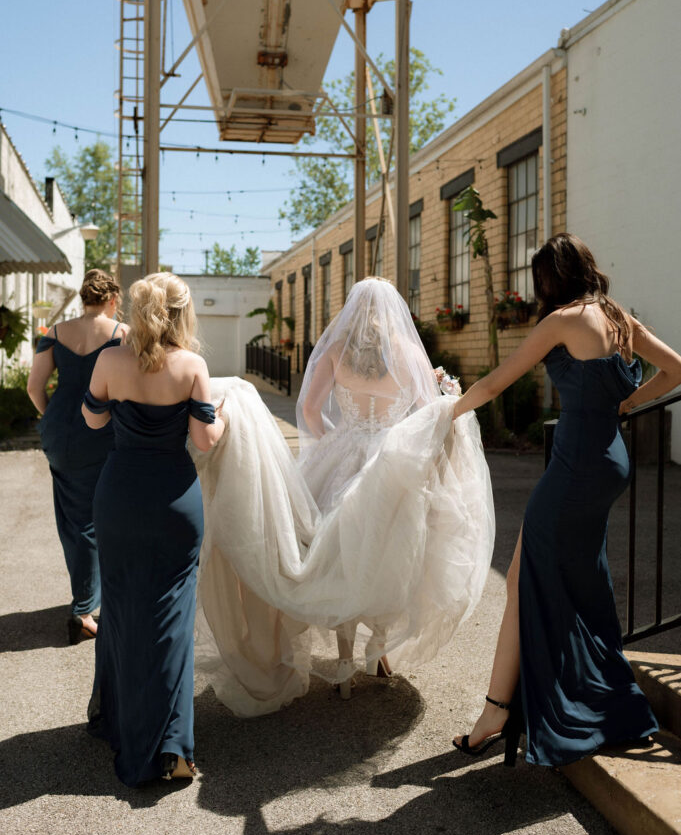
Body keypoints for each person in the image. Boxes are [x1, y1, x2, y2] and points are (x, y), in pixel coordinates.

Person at [193, 276, 495, 716]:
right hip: (393, 463)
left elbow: (311, 411)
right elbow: (427, 416)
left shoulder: (336, 351)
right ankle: (378, 652)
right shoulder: (410, 355)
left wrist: (336, 441)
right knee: (392, 552)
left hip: (343, 455)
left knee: (338, 557)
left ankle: (344, 661)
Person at [452, 234, 681, 767]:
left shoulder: (560, 322)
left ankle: (496, 712)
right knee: (564, 579)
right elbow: (676, 370)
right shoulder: (620, 320)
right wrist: (627, 402)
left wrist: (444, 414)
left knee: (526, 577)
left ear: (549, 280)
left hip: (575, 468)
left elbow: (495, 383)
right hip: (609, 462)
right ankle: (551, 703)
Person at [82, 272, 224, 787]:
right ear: (181, 313)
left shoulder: (108, 360)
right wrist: (221, 418)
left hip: (119, 496)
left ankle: (123, 722)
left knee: (120, 607)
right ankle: (173, 746)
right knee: (170, 617)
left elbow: (93, 421)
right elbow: (205, 440)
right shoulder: (192, 366)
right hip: (173, 501)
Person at [27, 268, 127, 644]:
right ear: (113, 299)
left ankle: (86, 600)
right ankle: (85, 609)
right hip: (104, 431)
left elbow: (35, 388)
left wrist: (53, 416)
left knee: (75, 520)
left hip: (61, 432)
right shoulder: (122, 334)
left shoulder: (53, 334)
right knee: (102, 517)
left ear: (83, 298)